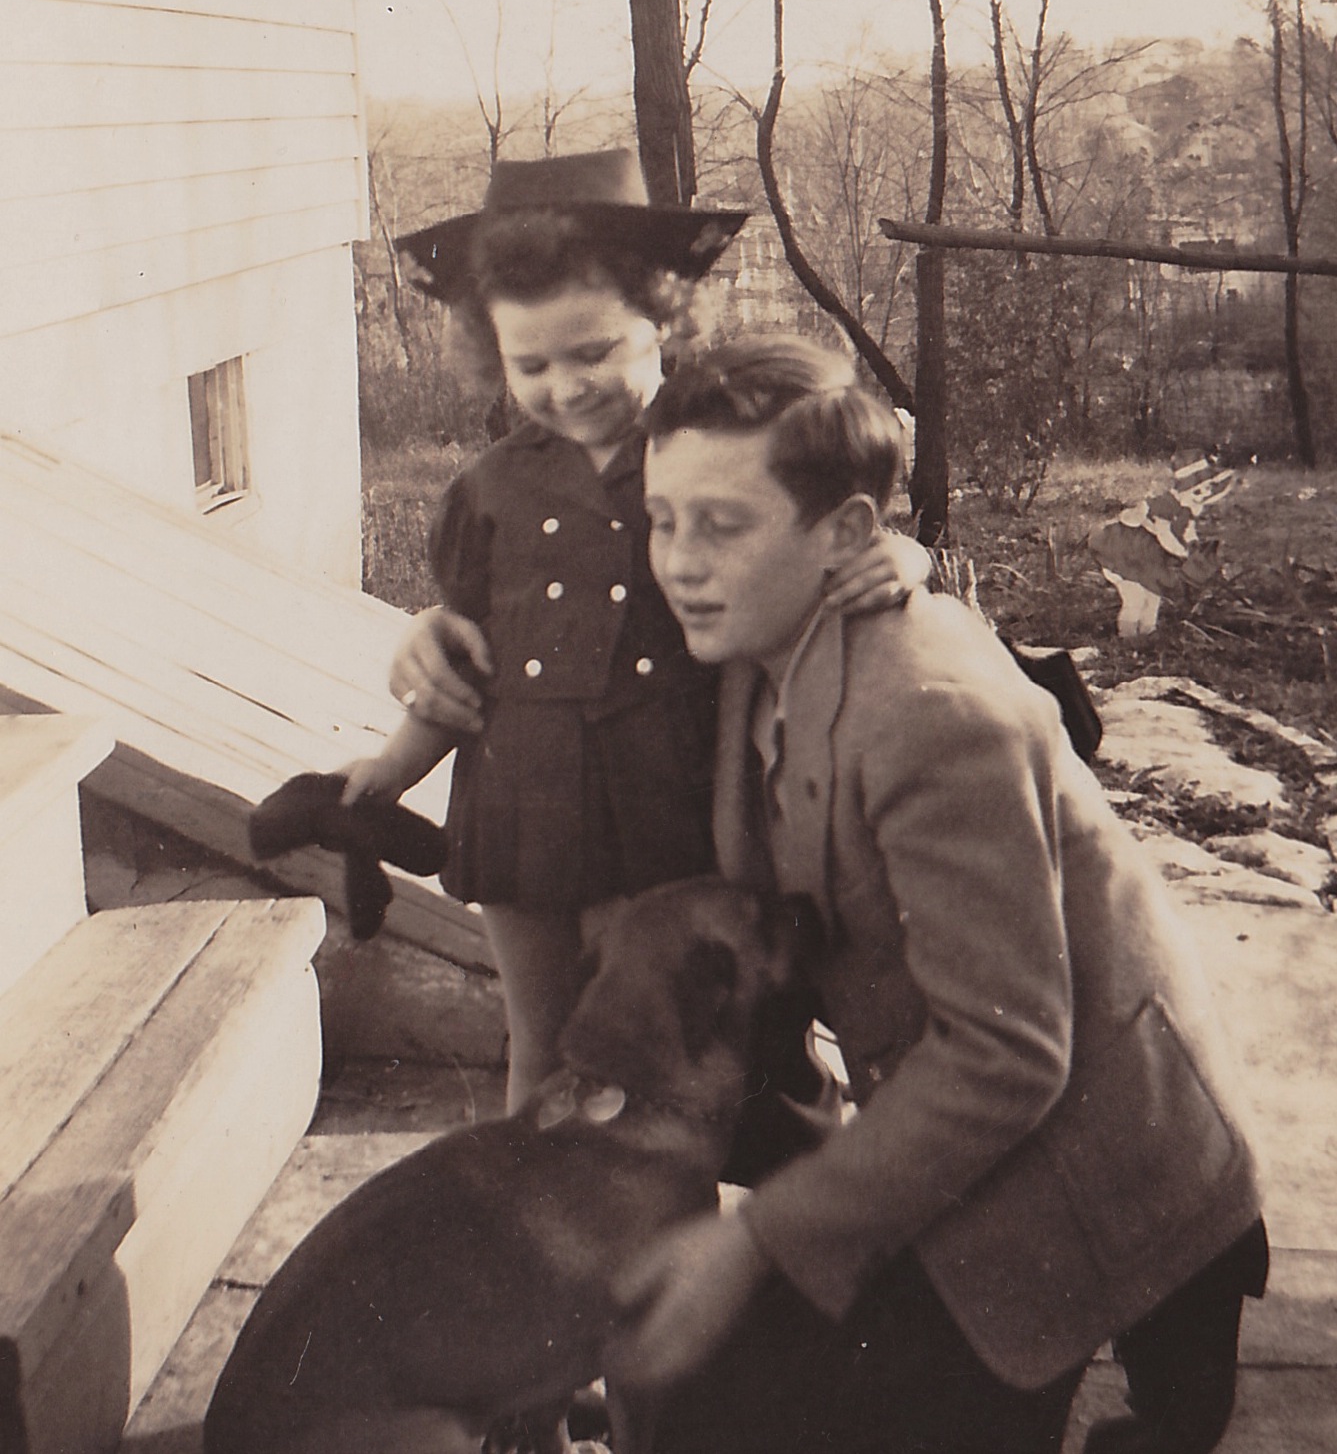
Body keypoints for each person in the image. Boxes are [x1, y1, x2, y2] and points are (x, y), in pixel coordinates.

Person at [610, 336, 1267, 1454]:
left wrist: (758, 1237)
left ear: (842, 537)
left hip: (1099, 1182)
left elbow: (1007, 1055)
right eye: (663, 519)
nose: (678, 561)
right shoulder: (754, 646)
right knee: (715, 1404)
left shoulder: (929, 712)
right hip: (958, 1144)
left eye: (720, 524)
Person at [345, 155, 930, 1110]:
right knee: (542, 1052)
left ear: (664, 318)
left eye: (594, 353)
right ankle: (542, 1201)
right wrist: (394, 764)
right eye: (532, 365)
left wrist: (902, 559)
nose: (567, 387)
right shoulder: (488, 489)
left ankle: (746, 1197)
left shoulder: (719, 454)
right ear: (494, 356)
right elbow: (467, 666)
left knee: (686, 1055)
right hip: (522, 811)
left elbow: (826, 531)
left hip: (675, 810)